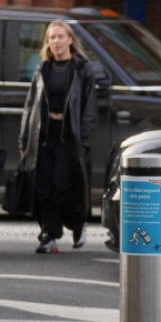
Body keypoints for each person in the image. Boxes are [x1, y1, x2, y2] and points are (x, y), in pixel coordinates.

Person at [19, 19, 97, 254]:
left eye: (60, 36)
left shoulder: (83, 69)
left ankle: (77, 222)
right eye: (52, 37)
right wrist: (24, 140)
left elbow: (89, 108)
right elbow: (30, 105)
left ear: (70, 40)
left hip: (69, 136)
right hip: (43, 135)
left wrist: (84, 140)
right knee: (42, 186)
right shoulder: (43, 68)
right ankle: (49, 234)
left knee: (63, 184)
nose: (56, 41)